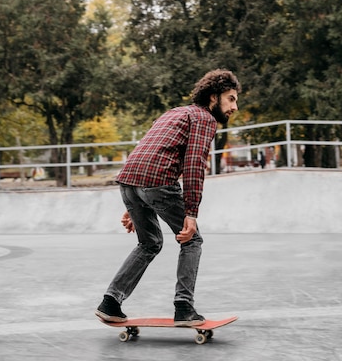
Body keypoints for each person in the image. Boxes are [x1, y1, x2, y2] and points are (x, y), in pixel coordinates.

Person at [95, 69, 241, 327]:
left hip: (130, 180)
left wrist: (133, 203)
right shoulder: (205, 118)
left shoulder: (173, 113)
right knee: (192, 240)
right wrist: (191, 213)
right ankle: (184, 307)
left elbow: (146, 148)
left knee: (149, 243)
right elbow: (195, 164)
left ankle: (110, 303)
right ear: (213, 97)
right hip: (157, 183)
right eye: (231, 99)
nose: (235, 106)